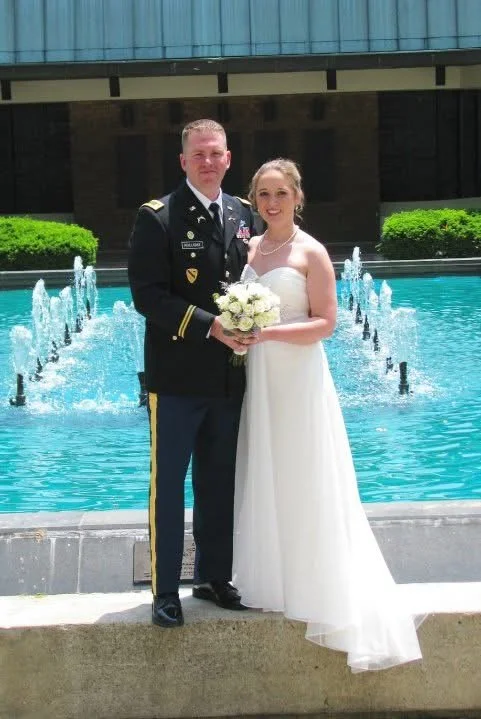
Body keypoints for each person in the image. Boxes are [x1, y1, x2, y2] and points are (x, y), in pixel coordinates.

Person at [232, 159, 423, 672]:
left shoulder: (311, 251)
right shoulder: (248, 248)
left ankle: (320, 583)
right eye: (263, 194)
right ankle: (274, 577)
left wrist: (266, 332)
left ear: (298, 196)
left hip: (298, 377)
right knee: (267, 470)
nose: (272, 203)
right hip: (259, 380)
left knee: (305, 473)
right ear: (254, 199)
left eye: (281, 193)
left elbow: (326, 324)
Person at [128, 119, 259, 628]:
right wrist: (211, 327)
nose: (208, 161)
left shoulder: (243, 215)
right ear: (183, 161)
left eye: (216, 153)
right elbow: (148, 296)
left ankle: (212, 576)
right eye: (198, 154)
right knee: (169, 484)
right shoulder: (157, 218)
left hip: (229, 378)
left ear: (229, 159)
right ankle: (165, 590)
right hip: (177, 379)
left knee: (218, 480)